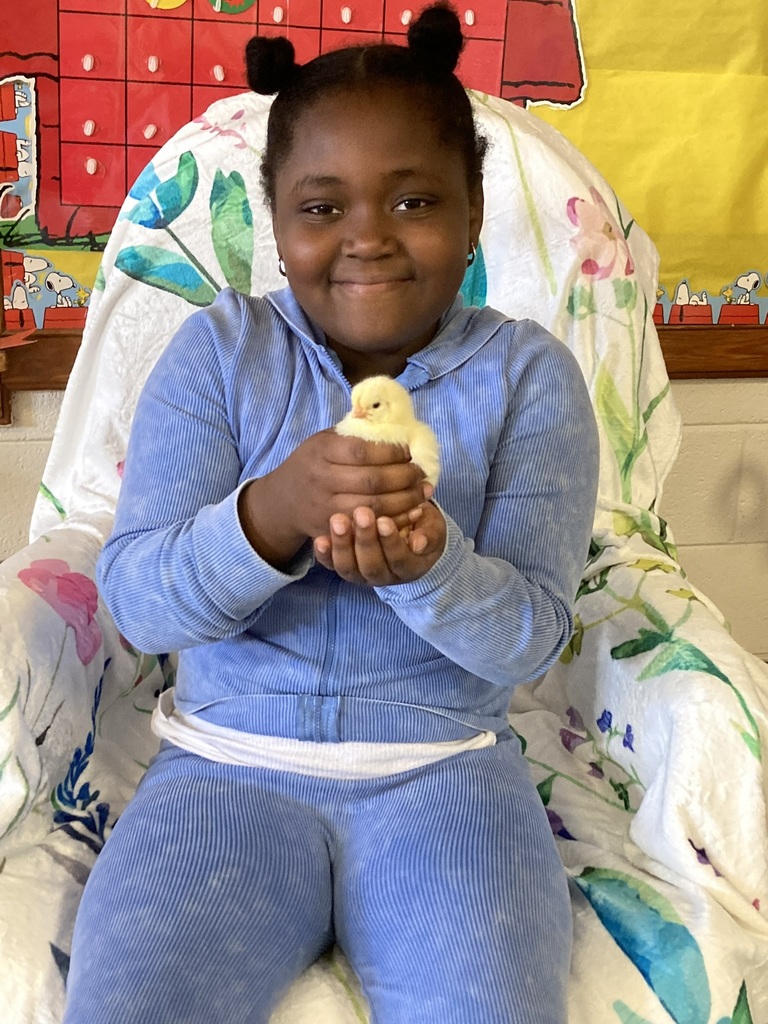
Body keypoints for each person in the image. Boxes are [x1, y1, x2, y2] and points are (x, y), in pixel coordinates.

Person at [63, 5, 599, 1022]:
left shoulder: (529, 378)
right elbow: (137, 601)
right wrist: (266, 515)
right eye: (322, 208)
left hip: (446, 777)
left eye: (413, 201)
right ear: (275, 218)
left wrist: (432, 566)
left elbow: (534, 638)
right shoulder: (219, 355)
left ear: (476, 209)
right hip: (225, 773)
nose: (366, 239)